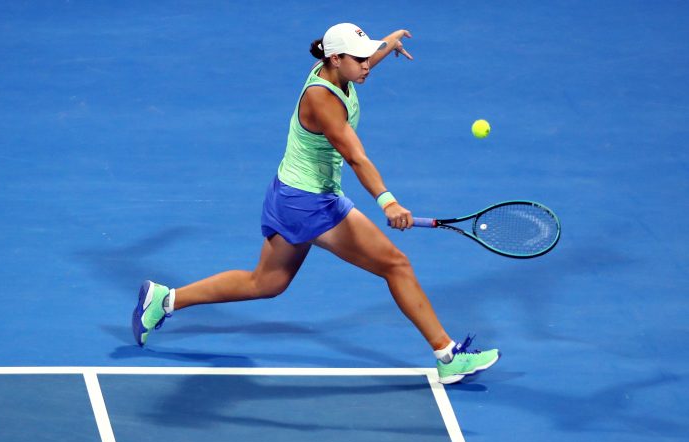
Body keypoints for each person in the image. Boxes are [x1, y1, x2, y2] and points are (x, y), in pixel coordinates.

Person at [132, 23, 500, 384]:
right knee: (396, 264)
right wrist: (388, 202)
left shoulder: (334, 68)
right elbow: (356, 157)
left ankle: (165, 300)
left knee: (267, 282)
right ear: (337, 59)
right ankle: (447, 355)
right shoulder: (322, 100)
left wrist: (386, 43)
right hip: (309, 203)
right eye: (360, 60)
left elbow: (365, 58)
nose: (367, 65)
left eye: (368, 57)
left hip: (288, 191)